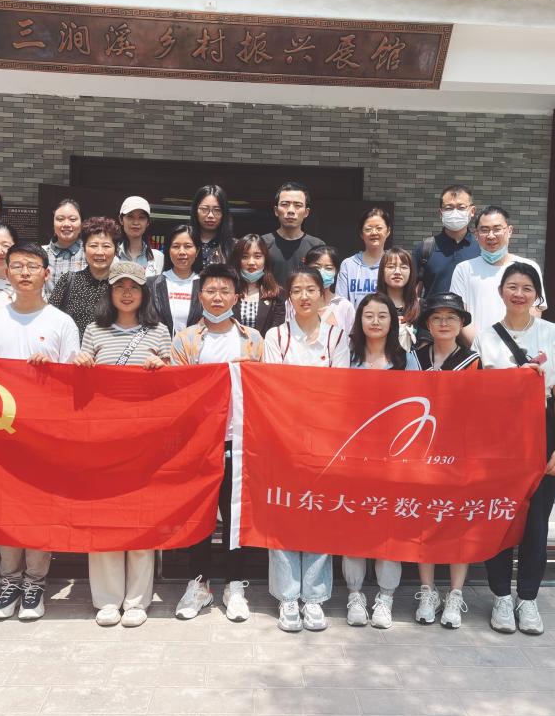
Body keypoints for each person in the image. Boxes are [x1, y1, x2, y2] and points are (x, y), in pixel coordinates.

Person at [0, 242, 79, 622]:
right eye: (17, 266)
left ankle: (35, 584)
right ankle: (9, 581)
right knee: (7, 510)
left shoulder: (61, 322)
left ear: (47, 273)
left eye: (32, 266)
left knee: (40, 509)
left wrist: (52, 371)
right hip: (1, 435)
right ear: (7, 272)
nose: (25, 273)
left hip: (44, 436)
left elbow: (73, 383)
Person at [475, 262, 555, 636]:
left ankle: (528, 598)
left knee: (536, 521)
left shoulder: (553, 334)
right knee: (499, 517)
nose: (519, 294)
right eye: (513, 286)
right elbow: (474, 395)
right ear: (501, 291)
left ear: (537, 295)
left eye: (527, 288)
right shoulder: (485, 338)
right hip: (497, 437)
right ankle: (501, 596)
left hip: (541, 433)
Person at [74, 260, 171, 627]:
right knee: (104, 518)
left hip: (145, 441)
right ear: (110, 291)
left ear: (144, 293)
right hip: (102, 440)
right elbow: (81, 388)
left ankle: (137, 601)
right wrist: (80, 362)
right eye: (119, 287)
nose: (126, 293)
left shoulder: (159, 331)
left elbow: (173, 387)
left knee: (141, 518)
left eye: (133, 287)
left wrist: (162, 368)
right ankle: (107, 599)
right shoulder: (93, 331)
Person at [171, 264, 264, 623]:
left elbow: (266, 389)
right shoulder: (186, 340)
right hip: (198, 442)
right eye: (210, 290)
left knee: (235, 515)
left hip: (238, 440)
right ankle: (199, 584)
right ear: (200, 296)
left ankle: (234, 585)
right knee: (200, 515)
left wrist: (250, 373)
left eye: (225, 291)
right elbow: (178, 389)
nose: (217, 297)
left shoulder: (253, 339)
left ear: (237, 297)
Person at [263, 267, 350, 632]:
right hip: (283, 439)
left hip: (324, 440)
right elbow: (273, 386)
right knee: (284, 514)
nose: (304, 296)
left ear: (322, 294)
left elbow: (339, 388)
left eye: (311, 289)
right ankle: (287, 596)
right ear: (288, 296)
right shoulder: (276, 336)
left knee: (318, 514)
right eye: (297, 290)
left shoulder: (337, 337)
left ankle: (313, 597)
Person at [343, 292, 419, 629]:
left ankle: (385, 598)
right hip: (354, 457)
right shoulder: (346, 357)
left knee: (390, 530)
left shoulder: (407, 360)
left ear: (393, 322)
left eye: (382, 316)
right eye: (368, 315)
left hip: (395, 459)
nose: (375, 322)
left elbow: (420, 406)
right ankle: (355, 595)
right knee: (355, 529)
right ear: (359, 320)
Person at [411, 293, 481, 628]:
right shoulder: (414, 356)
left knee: (457, 522)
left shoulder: (472, 361)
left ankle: (455, 593)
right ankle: (427, 591)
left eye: (451, 318)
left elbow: (479, 408)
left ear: (461, 323)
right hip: (420, 450)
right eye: (437, 317)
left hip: (458, 453)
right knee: (424, 521)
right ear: (427, 323)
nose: (443, 323)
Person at [451, 206, 547, 345]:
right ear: (476, 234)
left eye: (497, 229)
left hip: (519, 350)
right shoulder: (463, 269)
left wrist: (515, 346)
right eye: (484, 230)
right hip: (477, 351)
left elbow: (535, 309)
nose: (491, 235)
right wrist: (484, 348)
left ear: (509, 231)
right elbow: (459, 315)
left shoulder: (529, 267)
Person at [49, 215, 121, 338]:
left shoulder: (122, 285)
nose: (99, 252)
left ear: (116, 250)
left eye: (106, 246)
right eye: (93, 246)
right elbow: (50, 320)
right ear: (84, 249)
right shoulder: (68, 281)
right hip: (73, 349)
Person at [412, 184, 480, 301]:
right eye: (449, 208)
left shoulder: (481, 248)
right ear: (440, 213)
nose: (455, 212)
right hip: (433, 312)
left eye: (461, 207)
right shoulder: (424, 249)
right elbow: (413, 292)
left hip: (473, 313)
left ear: (472, 211)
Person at [260, 181, 324, 284]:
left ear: (306, 212)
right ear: (276, 210)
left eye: (298, 205)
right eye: (285, 204)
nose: (291, 210)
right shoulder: (262, 243)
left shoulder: (317, 246)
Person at [228, 234, 285, 336]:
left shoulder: (277, 293)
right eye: (245, 257)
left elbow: (276, 331)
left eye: (257, 256)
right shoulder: (227, 291)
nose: (251, 262)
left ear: (265, 260)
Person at [150, 224, 202, 336]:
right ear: (168, 250)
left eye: (188, 246)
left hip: (196, 346)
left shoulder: (205, 285)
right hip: (161, 345)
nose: (182, 252)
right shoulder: (152, 284)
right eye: (176, 246)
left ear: (197, 251)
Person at [336, 207, 391, 308]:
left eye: (379, 228)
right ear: (361, 233)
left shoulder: (393, 264)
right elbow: (340, 303)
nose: (374, 232)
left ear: (388, 231)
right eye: (368, 229)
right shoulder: (348, 265)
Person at [375, 247, 420, 352]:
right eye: (391, 266)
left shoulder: (420, 306)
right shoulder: (372, 304)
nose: (397, 272)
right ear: (382, 271)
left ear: (411, 272)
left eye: (403, 267)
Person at [304, 245, 355, 337]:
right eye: (316, 267)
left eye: (328, 268)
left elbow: (350, 340)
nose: (321, 272)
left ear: (336, 271)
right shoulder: (294, 303)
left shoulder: (344, 306)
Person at [43, 198, 86, 298]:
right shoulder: (41, 254)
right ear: (53, 223)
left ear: (81, 223)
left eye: (73, 219)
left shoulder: (90, 253)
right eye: (60, 219)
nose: (66, 224)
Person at [117, 196, 165, 277]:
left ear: (148, 222)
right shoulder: (112, 255)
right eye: (130, 216)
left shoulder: (158, 257)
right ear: (121, 220)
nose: (136, 222)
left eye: (141, 217)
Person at [190, 185, 234, 270]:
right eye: (204, 209)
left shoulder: (235, 247)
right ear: (195, 211)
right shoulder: (184, 244)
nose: (210, 215)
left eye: (217, 210)